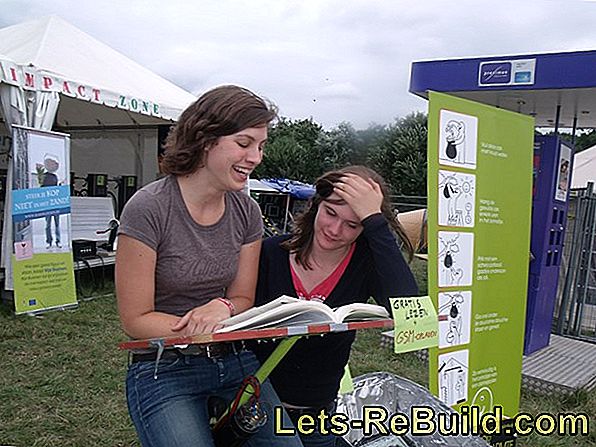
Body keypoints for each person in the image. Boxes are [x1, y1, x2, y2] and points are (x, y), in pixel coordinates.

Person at [116, 85, 303, 447]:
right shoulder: (149, 208)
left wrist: (224, 307)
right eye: (245, 143)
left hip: (236, 361)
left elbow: (243, 296)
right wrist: (197, 330)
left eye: (261, 146)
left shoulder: (246, 210)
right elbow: (135, 320)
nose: (256, 157)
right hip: (164, 367)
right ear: (205, 139)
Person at [252, 166, 419, 447]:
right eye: (330, 213)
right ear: (316, 205)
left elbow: (408, 309)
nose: (334, 230)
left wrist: (376, 221)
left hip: (317, 416)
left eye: (353, 225)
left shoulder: (365, 265)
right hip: (254, 411)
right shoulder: (268, 253)